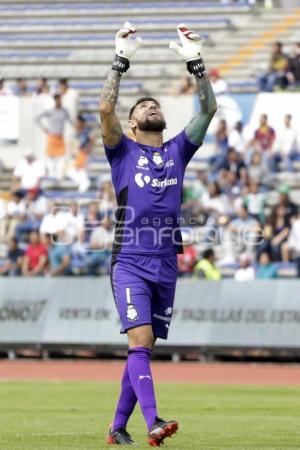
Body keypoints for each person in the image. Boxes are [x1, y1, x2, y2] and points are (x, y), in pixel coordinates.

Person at [100, 22, 217, 446]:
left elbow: (206, 111)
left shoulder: (177, 151)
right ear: (132, 126)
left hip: (167, 261)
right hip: (130, 258)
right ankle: (152, 422)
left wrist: (195, 64)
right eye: (143, 107)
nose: (150, 107)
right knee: (141, 338)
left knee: (143, 347)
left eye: (154, 104)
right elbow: (105, 112)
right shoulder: (122, 151)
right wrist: (120, 61)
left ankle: (116, 428)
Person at [36, 93, 73, 179]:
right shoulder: (50, 111)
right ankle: (52, 175)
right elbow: (37, 118)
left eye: (60, 99)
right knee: (51, 157)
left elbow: (70, 121)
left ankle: (58, 175)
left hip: (60, 137)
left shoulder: (64, 111)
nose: (59, 101)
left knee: (61, 157)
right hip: (52, 136)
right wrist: (44, 129)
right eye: (57, 99)